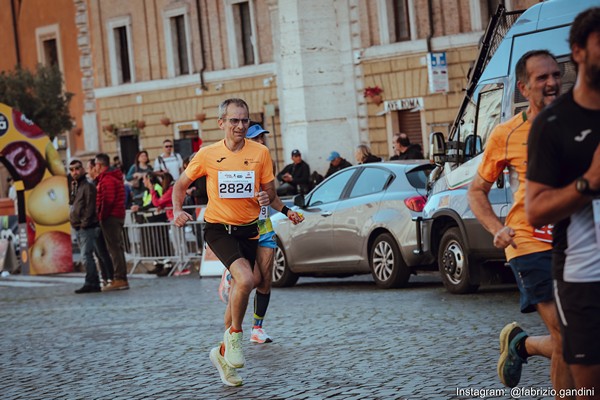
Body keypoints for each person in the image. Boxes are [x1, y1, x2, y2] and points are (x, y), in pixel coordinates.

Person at [172, 98, 303, 387]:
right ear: (222, 123)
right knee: (245, 279)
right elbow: (180, 185)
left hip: (249, 230)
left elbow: (270, 193)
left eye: (244, 120)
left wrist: (281, 208)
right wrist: (177, 210)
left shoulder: (261, 153)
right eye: (234, 120)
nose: (240, 126)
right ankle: (235, 338)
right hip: (219, 228)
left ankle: (221, 355)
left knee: (250, 284)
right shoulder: (207, 154)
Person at [467, 50, 573, 391]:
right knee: (568, 334)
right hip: (527, 242)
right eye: (542, 78)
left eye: (556, 75)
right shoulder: (506, 134)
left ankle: (522, 344)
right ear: (524, 89)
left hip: (577, 242)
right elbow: (477, 190)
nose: (553, 82)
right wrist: (497, 230)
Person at [526, 7, 600, 395]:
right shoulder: (553, 124)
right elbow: (535, 209)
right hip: (584, 275)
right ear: (579, 52)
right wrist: (589, 183)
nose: (551, 83)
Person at [218, 123, 304, 344]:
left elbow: (272, 195)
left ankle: (257, 328)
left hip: (264, 226)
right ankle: (230, 281)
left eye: (263, 139)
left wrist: (287, 211)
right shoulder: (235, 164)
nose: (261, 143)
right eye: (257, 139)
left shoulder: (265, 161)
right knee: (252, 279)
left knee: (265, 280)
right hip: (243, 228)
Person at [94, 153, 129, 292]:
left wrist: (101, 216)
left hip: (111, 217)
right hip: (115, 215)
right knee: (116, 248)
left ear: (100, 165)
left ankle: (119, 278)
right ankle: (119, 277)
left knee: (114, 248)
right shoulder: (111, 178)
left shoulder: (107, 179)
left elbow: (107, 201)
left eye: (96, 164)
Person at [69, 159, 103, 294]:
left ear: (82, 169)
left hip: (87, 227)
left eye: (77, 168)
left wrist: (84, 224)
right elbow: (73, 204)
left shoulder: (87, 186)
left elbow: (90, 207)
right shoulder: (76, 185)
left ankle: (91, 282)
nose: (74, 172)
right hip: (78, 226)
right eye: (71, 170)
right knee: (87, 256)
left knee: (86, 256)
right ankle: (93, 282)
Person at [86, 158, 114, 287]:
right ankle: (104, 278)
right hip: (94, 220)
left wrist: (99, 216)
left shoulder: (98, 183)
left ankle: (110, 278)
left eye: (88, 168)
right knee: (98, 252)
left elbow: (103, 201)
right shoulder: (92, 182)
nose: (87, 171)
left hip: (99, 219)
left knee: (103, 251)